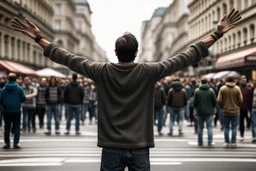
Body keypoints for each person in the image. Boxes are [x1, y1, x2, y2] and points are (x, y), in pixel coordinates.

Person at [11, 8, 241, 170]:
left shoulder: (101, 70)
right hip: (140, 146)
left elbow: (67, 57)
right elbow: (186, 56)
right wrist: (218, 33)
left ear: (115, 52)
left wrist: (39, 37)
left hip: (111, 147)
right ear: (136, 52)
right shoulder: (150, 71)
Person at [0, 73, 36, 149]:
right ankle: (16, 143)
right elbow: (23, 98)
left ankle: (7, 143)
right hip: (16, 110)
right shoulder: (19, 88)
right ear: (16, 79)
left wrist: (5, 105)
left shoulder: (3, 89)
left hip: (6, 111)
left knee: (7, 127)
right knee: (16, 127)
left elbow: (1, 100)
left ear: (8, 79)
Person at [217, 76, 243, 147]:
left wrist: (222, 106)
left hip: (225, 110)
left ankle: (227, 142)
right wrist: (237, 105)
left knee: (226, 127)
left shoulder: (222, 88)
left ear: (226, 81)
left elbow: (219, 100)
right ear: (234, 80)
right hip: (235, 111)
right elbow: (241, 99)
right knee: (234, 127)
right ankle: (233, 142)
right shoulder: (237, 88)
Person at [194, 78, 216, 146]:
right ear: (207, 82)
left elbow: (195, 102)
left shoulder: (197, 91)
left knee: (200, 127)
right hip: (209, 112)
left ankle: (200, 142)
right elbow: (214, 102)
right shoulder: (211, 91)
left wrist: (196, 109)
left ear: (201, 82)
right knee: (209, 127)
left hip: (200, 111)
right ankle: (210, 141)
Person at [239, 75, 251, 141]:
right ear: (240, 80)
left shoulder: (248, 88)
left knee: (249, 120)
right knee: (241, 122)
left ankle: (249, 127)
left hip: (247, 107)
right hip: (240, 108)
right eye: (242, 79)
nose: (243, 80)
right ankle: (241, 134)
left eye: (244, 79)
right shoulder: (238, 88)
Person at [249, 79, 256, 144]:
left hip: (253, 109)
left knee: (254, 125)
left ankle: (254, 137)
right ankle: (254, 137)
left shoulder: (252, 89)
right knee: (254, 124)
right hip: (253, 109)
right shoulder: (251, 89)